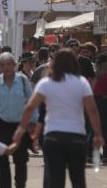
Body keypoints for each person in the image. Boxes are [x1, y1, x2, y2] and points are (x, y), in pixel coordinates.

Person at [13, 49, 104, 188]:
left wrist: (21, 128)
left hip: (53, 136)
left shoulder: (46, 83)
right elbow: (92, 110)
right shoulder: (82, 83)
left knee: (55, 180)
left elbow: (30, 107)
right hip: (77, 136)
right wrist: (98, 134)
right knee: (78, 179)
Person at [0, 52, 37, 188]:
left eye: (9, 64)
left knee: (21, 160)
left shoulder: (23, 81)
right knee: (1, 160)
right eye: (3, 65)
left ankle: (20, 184)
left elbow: (31, 103)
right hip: (1, 125)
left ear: (14, 65)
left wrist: (33, 123)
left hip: (20, 125)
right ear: (0, 67)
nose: (6, 67)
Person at [94, 54, 107, 158]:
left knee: (99, 126)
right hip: (103, 100)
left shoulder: (96, 72)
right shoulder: (104, 73)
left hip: (96, 100)